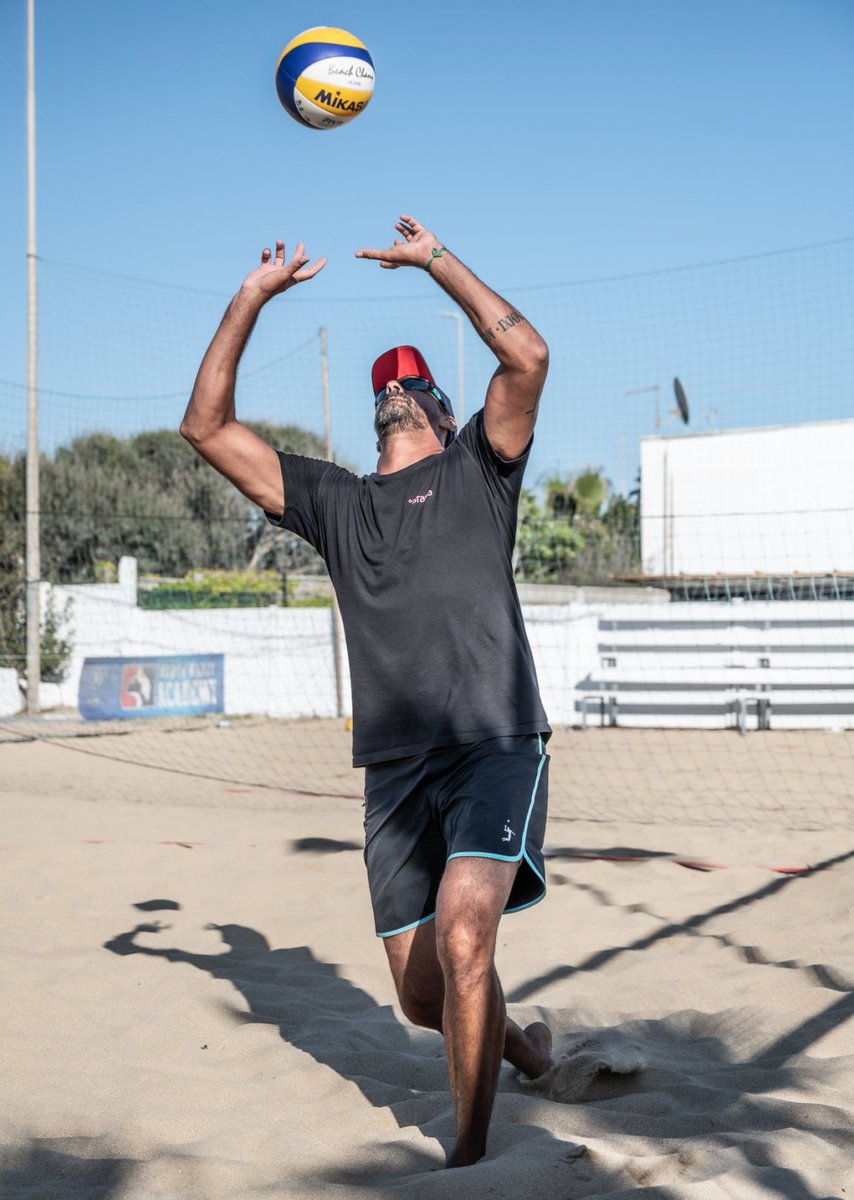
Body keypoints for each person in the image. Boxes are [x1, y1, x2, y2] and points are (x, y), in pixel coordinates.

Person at [180, 214, 553, 1167]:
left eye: (407, 385)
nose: (392, 393)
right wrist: (250, 301)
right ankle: (522, 1049)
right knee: (422, 997)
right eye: (380, 389)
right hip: (391, 771)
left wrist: (435, 261)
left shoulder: (480, 470)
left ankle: (471, 1164)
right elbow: (206, 428)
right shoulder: (337, 502)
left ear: (432, 405)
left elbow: (526, 355)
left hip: (492, 742)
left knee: (468, 936)